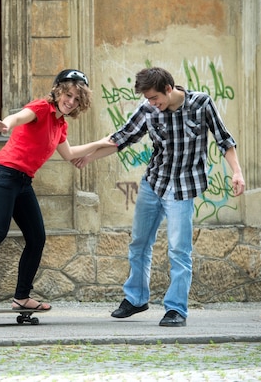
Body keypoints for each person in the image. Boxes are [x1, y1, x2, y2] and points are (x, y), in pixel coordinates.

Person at [73, 67, 245, 327]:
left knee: (178, 249)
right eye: (148, 99)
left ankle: (176, 309)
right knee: (139, 244)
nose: (152, 103)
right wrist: (90, 155)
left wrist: (237, 173)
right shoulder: (148, 109)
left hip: (183, 188)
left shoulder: (201, 103)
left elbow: (224, 139)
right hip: (154, 183)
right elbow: (122, 138)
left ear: (168, 88)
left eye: (155, 98)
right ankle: (136, 298)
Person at [0, 69, 117, 312]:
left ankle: (21, 297)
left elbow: (69, 154)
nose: (70, 102)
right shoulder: (40, 108)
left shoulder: (60, 124)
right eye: (68, 95)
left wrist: (101, 143)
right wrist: (4, 125)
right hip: (3, 175)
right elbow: (17, 118)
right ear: (58, 90)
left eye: (77, 99)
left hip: (23, 182)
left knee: (37, 238)